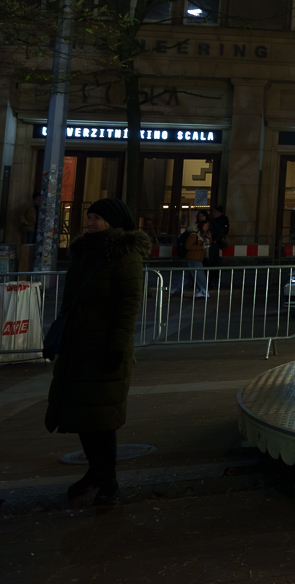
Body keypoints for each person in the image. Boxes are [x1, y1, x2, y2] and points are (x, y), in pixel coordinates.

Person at [45, 198, 149, 507]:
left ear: (112, 222)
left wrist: (116, 347)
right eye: (89, 216)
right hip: (78, 345)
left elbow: (128, 304)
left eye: (96, 218)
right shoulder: (84, 250)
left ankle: (108, 480)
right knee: (81, 414)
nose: (89, 222)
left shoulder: (124, 253)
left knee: (100, 418)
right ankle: (95, 472)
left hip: (104, 348)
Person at [172, 210, 210, 298]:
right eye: (206, 226)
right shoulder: (194, 235)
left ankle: (174, 288)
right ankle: (203, 290)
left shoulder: (203, 235)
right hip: (194, 257)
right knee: (199, 275)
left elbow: (207, 244)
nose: (207, 227)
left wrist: (209, 239)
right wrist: (201, 247)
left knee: (190, 275)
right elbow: (188, 246)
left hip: (197, 257)